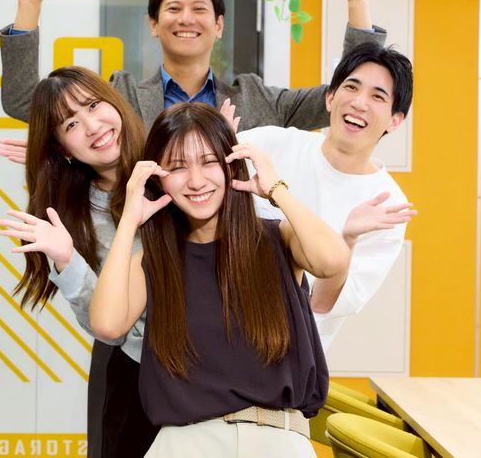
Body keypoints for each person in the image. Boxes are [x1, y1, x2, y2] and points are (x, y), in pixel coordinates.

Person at [89, 103, 352, 457]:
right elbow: (106, 324)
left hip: (277, 440)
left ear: (231, 164)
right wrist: (129, 221)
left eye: (209, 161)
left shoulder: (278, 239)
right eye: (177, 167)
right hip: (183, 445)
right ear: (157, 177)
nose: (196, 181)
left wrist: (275, 188)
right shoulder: (154, 261)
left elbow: (333, 261)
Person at [0, 0, 386, 163]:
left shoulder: (257, 98)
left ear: (219, 25)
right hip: (146, 259)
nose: (186, 19)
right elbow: (22, 100)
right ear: (153, 24)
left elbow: (343, 101)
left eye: (199, 9)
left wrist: (359, 6)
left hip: (236, 260)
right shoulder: (119, 96)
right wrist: (29, 6)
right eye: (173, 9)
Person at [0, 67, 158, 458]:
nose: (92, 126)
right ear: (64, 149)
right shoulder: (76, 215)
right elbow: (108, 328)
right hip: (138, 374)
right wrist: (68, 261)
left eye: (94, 105)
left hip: (210, 371)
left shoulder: (172, 166)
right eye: (71, 124)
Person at [237, 42, 416, 350]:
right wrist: (211, 144)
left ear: (395, 120)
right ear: (331, 98)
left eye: (377, 96)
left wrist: (347, 239)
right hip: (218, 333)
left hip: (288, 357)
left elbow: (319, 304)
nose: (359, 103)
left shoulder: (387, 207)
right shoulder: (268, 144)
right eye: (351, 87)